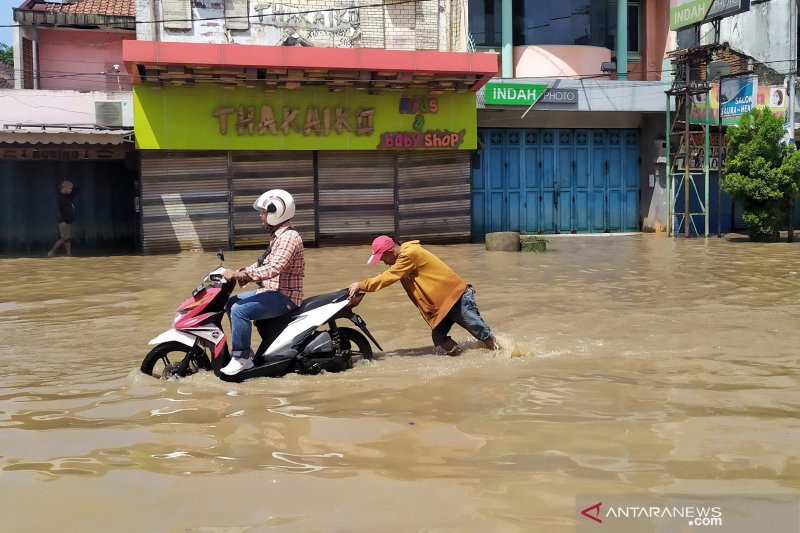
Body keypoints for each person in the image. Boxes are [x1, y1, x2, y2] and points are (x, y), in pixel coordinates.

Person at [348, 236, 499, 355]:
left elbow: (388, 277)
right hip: (442, 306)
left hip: (456, 299)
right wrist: (360, 293)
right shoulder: (401, 261)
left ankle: (504, 355)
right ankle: (464, 359)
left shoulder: (409, 254)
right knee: (439, 338)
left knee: (482, 333)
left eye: (382, 258)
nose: (383, 262)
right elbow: (386, 276)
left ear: (390, 252)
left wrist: (361, 285)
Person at [220, 189, 305, 375]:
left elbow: (274, 268)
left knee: (239, 310)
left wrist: (241, 275)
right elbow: (262, 263)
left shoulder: (290, 238)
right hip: (271, 292)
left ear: (277, 212)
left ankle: (241, 358)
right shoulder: (278, 237)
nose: (261, 216)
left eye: (264, 212)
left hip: (285, 296)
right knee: (231, 302)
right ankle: (247, 353)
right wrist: (240, 272)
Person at [48, 180, 78, 257]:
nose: (71, 190)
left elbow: (76, 190)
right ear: (64, 188)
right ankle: (51, 252)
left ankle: (69, 253)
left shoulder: (68, 196)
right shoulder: (58, 197)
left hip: (68, 219)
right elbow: (56, 209)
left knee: (67, 238)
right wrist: (61, 220)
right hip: (63, 221)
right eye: (70, 189)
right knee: (64, 237)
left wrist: (70, 185)